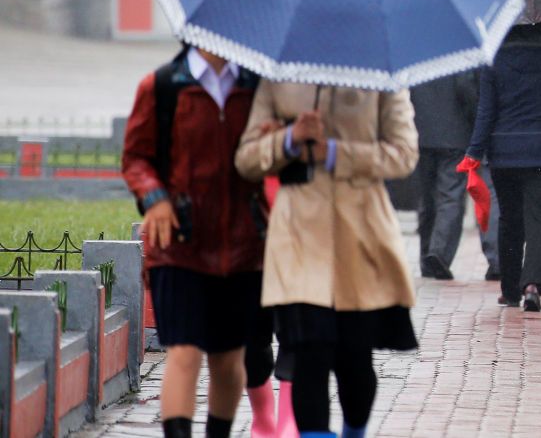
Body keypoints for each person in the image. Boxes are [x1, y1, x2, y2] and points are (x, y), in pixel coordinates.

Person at [235, 82, 420, 438]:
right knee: (308, 353)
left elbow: (404, 153)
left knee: (355, 361)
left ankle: (354, 431)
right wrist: (289, 138)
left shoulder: (381, 79)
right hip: (298, 236)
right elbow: (247, 157)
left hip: (362, 234)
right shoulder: (279, 79)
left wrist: (333, 152)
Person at [121, 45, 265, 438]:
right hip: (179, 243)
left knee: (228, 358)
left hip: (244, 245)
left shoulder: (257, 87)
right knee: (184, 352)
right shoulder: (163, 85)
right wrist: (155, 197)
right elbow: (135, 158)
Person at [466, 22, 541, 312]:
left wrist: (474, 152)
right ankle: (532, 285)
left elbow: (486, 111)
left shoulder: (496, 58)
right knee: (539, 220)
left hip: (505, 153)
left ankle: (509, 289)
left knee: (510, 220)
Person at [411, 70, 500, 281]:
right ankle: (439, 254)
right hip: (455, 133)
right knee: (450, 194)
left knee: (427, 196)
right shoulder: (459, 51)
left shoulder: (417, 47)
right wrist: (476, 121)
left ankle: (426, 257)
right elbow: (466, 87)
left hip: (421, 134)